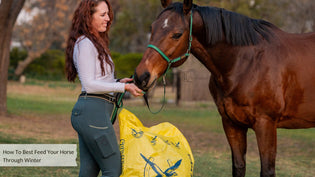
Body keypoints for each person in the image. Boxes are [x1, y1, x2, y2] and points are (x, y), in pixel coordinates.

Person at [65, 0, 143, 176]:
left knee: (89, 170)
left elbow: (98, 79)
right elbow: (90, 85)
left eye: (108, 14)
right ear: (88, 17)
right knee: (113, 169)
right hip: (92, 114)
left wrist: (118, 82)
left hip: (93, 114)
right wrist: (122, 88)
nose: (108, 18)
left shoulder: (95, 42)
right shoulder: (85, 43)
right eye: (102, 14)